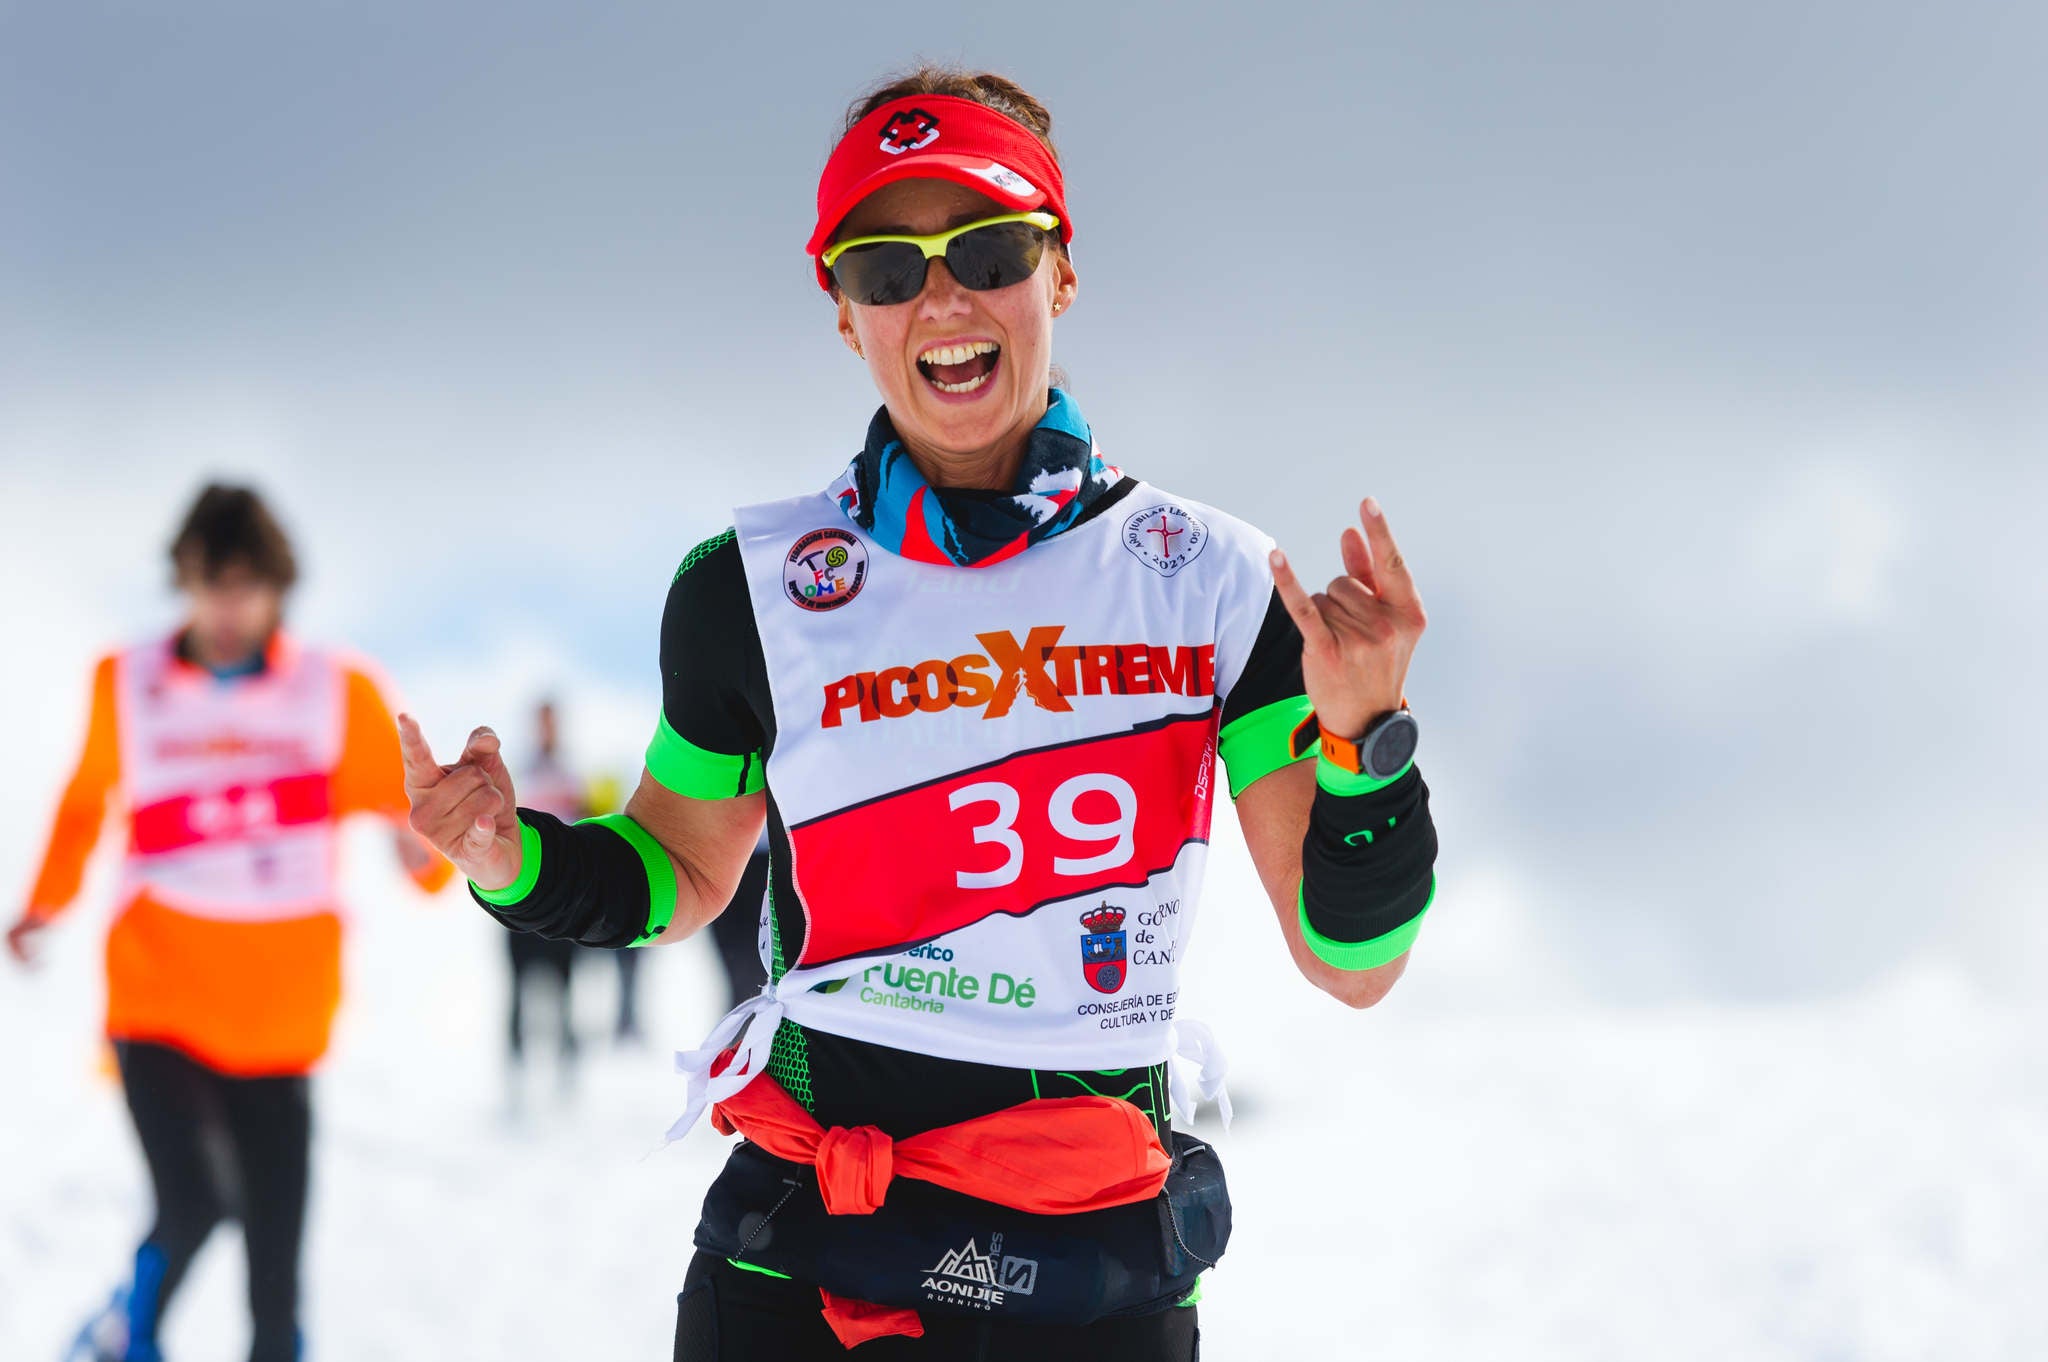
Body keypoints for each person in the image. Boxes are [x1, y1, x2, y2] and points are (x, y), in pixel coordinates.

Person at [399, 65, 1438, 1361]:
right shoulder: (749, 591)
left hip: (1091, 1280)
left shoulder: (1219, 582)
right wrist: (513, 858)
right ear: (844, 311)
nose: (941, 298)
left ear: (1059, 273)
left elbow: (1355, 961)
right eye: (888, 268)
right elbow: (679, 871)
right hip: (804, 1254)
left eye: (989, 249)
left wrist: (1367, 750)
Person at [8, 484, 453, 1362]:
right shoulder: (127, 681)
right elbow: (83, 803)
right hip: (158, 997)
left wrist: (423, 858)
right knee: (192, 1199)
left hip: (282, 1019)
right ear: (185, 582)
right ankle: (125, 1335)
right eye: (210, 586)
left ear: (279, 590)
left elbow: (415, 815)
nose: (226, 609)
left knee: (276, 1275)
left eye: (246, 588)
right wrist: (42, 906)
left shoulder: (338, 691)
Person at [503, 699, 588, 1094]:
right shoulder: (519, 774)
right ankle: (515, 1075)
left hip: (563, 900)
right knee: (518, 989)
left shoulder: (573, 774)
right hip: (520, 900)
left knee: (566, 991)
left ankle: (566, 1073)